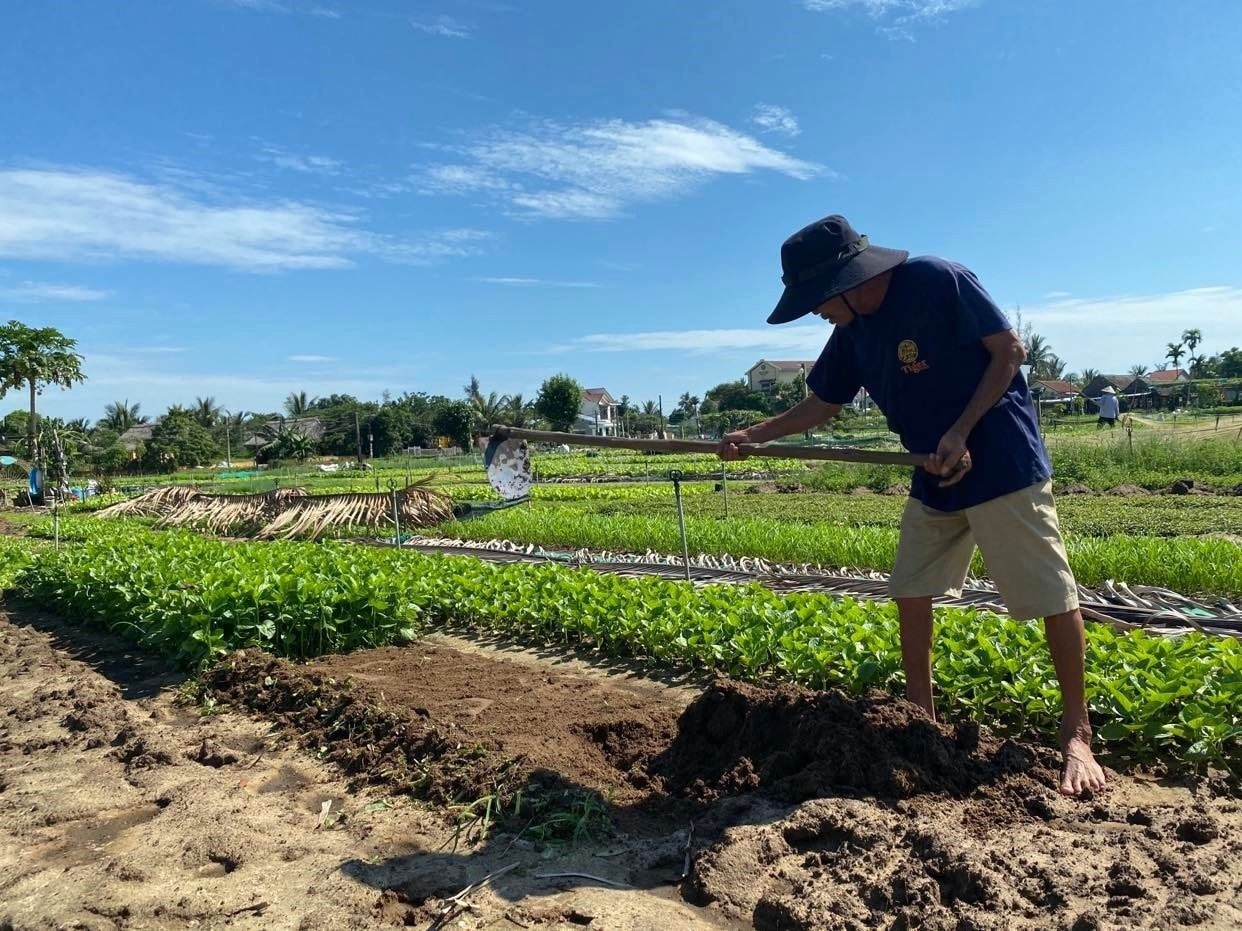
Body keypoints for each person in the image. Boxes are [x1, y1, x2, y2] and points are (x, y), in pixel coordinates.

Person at [718, 214, 1106, 797]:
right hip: (932, 469)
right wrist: (757, 435)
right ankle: (918, 719)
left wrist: (962, 430)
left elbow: (1009, 353)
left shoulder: (936, 280)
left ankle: (1077, 732)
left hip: (1000, 460)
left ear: (845, 283)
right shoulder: (852, 332)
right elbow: (822, 404)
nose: (818, 313)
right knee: (911, 585)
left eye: (819, 301)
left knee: (1048, 591)